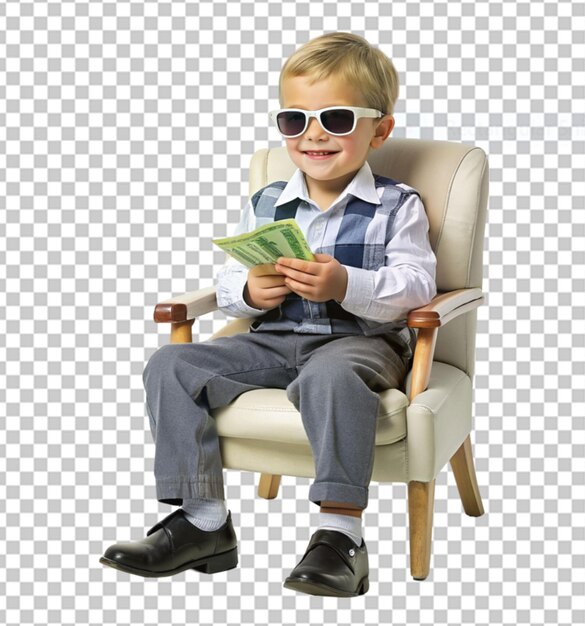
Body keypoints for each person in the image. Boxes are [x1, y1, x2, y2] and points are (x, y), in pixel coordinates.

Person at [100, 31, 436, 597]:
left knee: (328, 376)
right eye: (294, 120)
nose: (314, 134)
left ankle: (339, 534)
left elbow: (418, 284)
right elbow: (232, 282)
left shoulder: (396, 206)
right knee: (170, 365)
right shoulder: (269, 203)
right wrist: (252, 293)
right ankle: (203, 523)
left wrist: (344, 282)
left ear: (379, 130)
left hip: (360, 343)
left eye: (336, 117)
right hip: (275, 339)